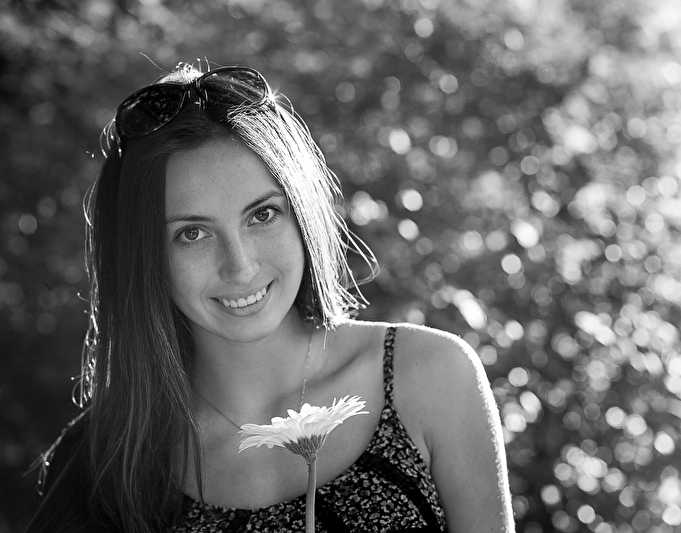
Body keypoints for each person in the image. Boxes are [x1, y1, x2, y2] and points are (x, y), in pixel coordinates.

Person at [26, 62, 515, 533]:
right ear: (142, 257)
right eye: (192, 234)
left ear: (302, 213)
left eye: (262, 215)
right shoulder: (106, 458)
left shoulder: (428, 375)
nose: (240, 266)